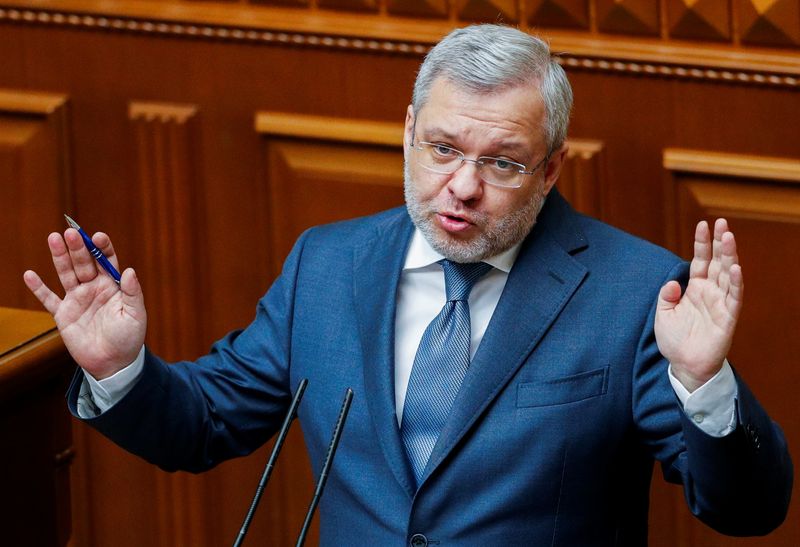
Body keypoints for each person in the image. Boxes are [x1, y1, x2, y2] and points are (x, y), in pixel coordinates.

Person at [24, 24, 791, 546]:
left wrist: (704, 383)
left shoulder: (634, 291)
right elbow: (203, 424)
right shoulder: (326, 265)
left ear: (551, 167)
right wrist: (119, 366)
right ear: (408, 131)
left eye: (502, 162)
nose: (461, 186)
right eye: (443, 148)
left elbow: (746, 508)